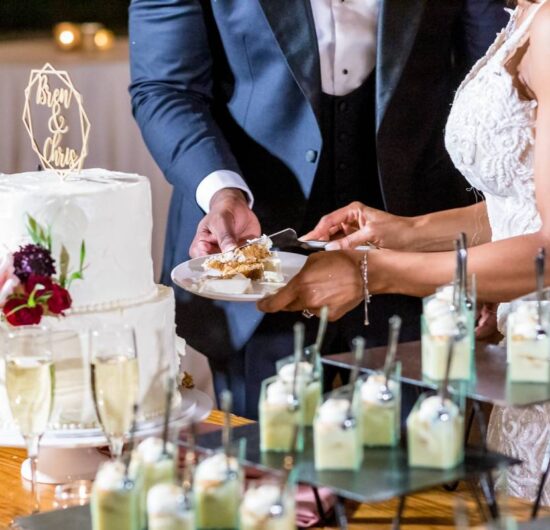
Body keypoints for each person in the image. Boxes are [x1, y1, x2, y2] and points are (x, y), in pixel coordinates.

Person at [129, 0, 507, 418]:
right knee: (270, 467)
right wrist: (223, 192)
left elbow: (494, 72)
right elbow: (165, 88)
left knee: (422, 457)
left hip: (417, 247)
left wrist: (488, 246)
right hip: (255, 263)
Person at [259, 0, 550, 504]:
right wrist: (405, 231)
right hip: (523, 352)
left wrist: (377, 272)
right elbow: (520, 204)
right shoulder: (525, 13)